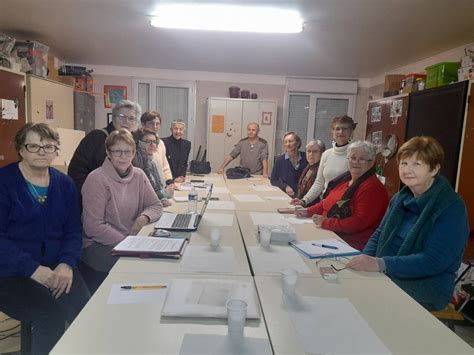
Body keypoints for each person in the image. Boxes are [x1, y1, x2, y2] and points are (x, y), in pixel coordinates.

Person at [347, 137, 469, 311]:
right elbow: (379, 234)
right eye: (404, 163)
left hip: (425, 289)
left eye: (417, 164)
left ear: (434, 168)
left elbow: (434, 261)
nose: (407, 170)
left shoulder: (451, 207)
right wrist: (365, 261)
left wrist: (381, 264)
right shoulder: (400, 198)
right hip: (387, 274)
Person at [0, 123, 90, 355]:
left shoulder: (65, 184)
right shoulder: (4, 182)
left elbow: (73, 230)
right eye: (34, 146)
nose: (42, 152)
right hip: (10, 272)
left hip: (57, 268)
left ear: (56, 151)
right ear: (20, 149)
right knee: (49, 315)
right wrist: (32, 269)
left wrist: (66, 263)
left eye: (48, 147)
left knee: (86, 312)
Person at [81, 129, 163, 289]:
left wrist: (143, 218)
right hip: (98, 245)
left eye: (128, 152)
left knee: (159, 263)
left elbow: (156, 205)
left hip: (130, 240)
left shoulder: (139, 175)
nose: (123, 157)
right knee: (141, 267)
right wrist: (129, 243)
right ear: (108, 152)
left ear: (134, 153)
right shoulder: (96, 179)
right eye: (117, 151)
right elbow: (93, 227)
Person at [297, 141, 389, 250]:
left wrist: (326, 222)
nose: (356, 162)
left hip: (351, 245)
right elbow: (325, 203)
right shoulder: (345, 180)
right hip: (330, 234)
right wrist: (306, 211)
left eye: (362, 159)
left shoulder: (372, 187)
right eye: (353, 158)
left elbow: (358, 223)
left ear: (371, 162)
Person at [68, 99, 142, 193]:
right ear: (113, 118)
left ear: (136, 123)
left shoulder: (135, 144)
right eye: (122, 116)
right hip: (96, 197)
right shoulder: (96, 137)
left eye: (131, 118)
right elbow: (76, 171)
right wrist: (93, 193)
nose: (126, 121)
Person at [291, 115, 356, 207]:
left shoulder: (356, 154)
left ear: (351, 131)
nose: (341, 132)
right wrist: (304, 200)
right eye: (337, 129)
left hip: (346, 206)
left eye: (345, 128)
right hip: (326, 204)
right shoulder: (326, 154)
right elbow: (319, 183)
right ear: (332, 132)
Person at [133, 128, 174, 207]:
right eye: (148, 141)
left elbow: (156, 187)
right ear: (138, 143)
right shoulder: (137, 161)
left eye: (154, 142)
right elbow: (146, 187)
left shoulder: (151, 161)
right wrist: (164, 194)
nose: (152, 144)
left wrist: (164, 194)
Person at [140, 111, 174, 187]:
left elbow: (165, 165)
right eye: (151, 123)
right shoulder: (139, 143)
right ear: (143, 124)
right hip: (146, 187)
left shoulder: (161, 143)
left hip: (161, 186)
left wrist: (170, 182)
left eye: (157, 124)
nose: (155, 127)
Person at [271, 131, 308, 197]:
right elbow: (273, 180)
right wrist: (285, 187)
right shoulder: (280, 160)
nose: (288, 144)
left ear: (298, 143)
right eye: (285, 142)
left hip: (305, 196)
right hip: (288, 195)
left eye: (290, 141)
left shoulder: (306, 157)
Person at [295, 139, 326, 205]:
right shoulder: (308, 166)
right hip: (303, 203)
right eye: (309, 151)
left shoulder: (322, 169)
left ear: (322, 154)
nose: (311, 154)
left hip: (314, 207)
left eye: (315, 151)